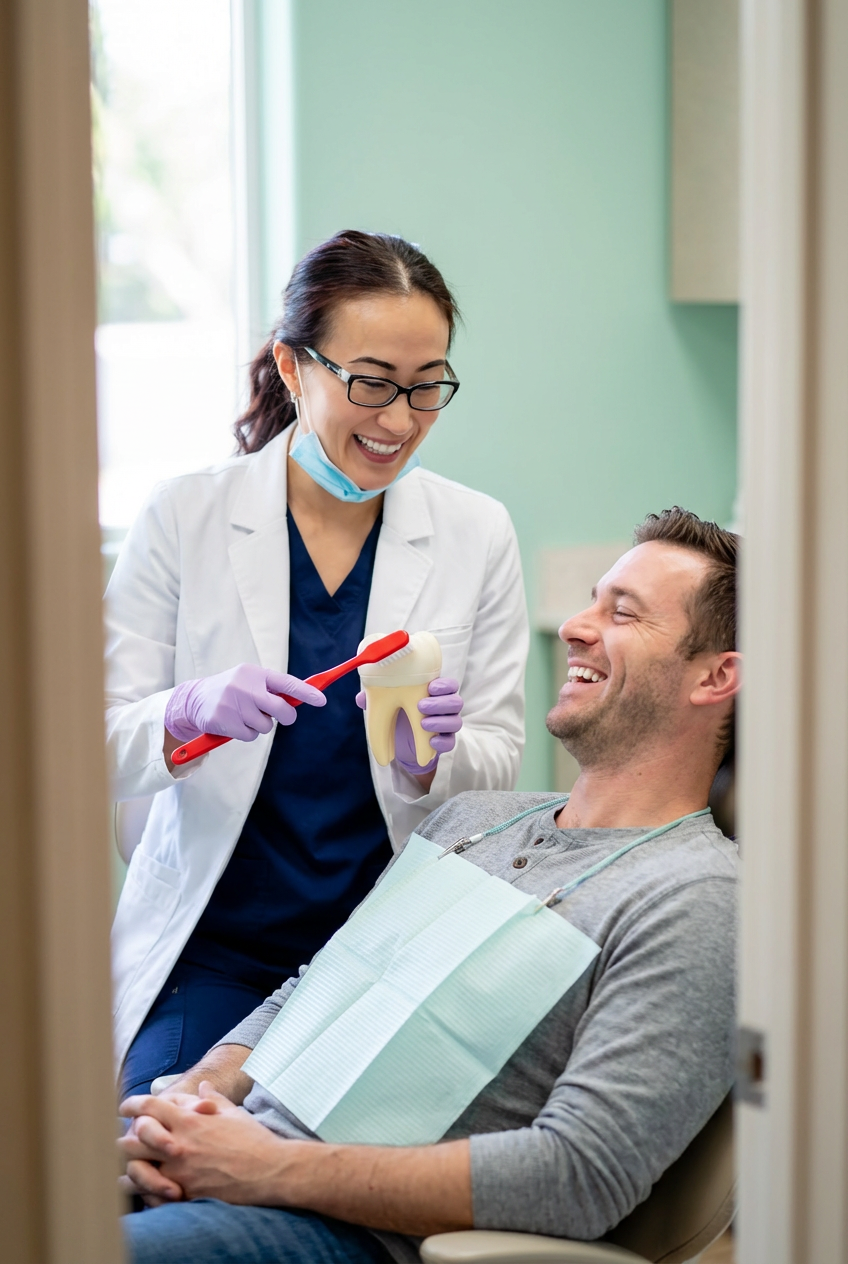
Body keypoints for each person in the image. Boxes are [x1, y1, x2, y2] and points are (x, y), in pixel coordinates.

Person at [118, 507, 741, 1264]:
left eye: (623, 613)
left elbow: (581, 1174)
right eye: (590, 598)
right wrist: (202, 1093)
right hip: (233, 1160)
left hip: (355, 1233)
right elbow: (315, 987)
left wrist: (265, 1167)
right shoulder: (473, 819)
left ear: (716, 675)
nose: (576, 627)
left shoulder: (697, 895)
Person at [105, 230, 528, 1098]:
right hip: (216, 951)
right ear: (293, 369)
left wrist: (431, 757)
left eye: (427, 386)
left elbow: (497, 758)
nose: (400, 421)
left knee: (326, 1186)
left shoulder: (477, 531)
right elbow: (93, 739)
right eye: (371, 382)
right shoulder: (186, 515)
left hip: (384, 959)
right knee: (160, 1151)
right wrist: (185, 713)